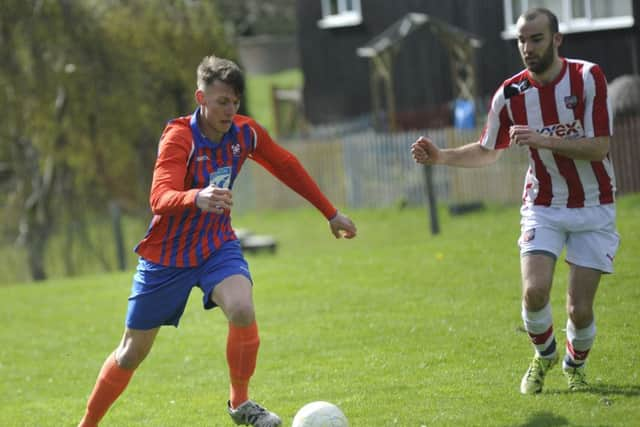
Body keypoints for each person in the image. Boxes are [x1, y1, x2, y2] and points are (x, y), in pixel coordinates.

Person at [78, 54, 357, 427]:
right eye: (222, 101)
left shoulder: (246, 133)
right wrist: (197, 196)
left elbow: (285, 165)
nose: (230, 109)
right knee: (131, 352)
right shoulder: (179, 137)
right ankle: (87, 424)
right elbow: (159, 197)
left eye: (235, 102)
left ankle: (240, 404)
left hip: (215, 246)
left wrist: (330, 212)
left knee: (242, 309)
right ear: (201, 98)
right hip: (166, 257)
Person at [411, 7, 619, 395]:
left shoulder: (588, 78)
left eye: (536, 39)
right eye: (521, 40)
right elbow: (488, 150)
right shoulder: (510, 94)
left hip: (595, 204)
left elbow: (600, 147)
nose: (527, 47)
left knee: (580, 309)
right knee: (534, 291)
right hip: (544, 203)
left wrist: (544, 139)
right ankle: (543, 356)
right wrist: (441, 156)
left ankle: (575, 365)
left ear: (557, 40)